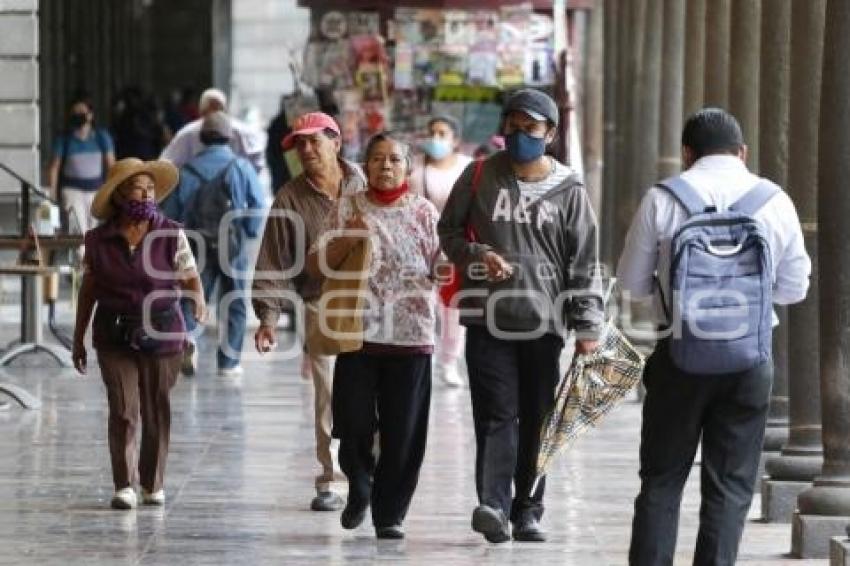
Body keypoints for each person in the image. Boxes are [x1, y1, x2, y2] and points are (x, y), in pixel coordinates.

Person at [617, 108, 811, 565]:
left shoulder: (662, 199)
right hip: (749, 361)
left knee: (662, 481)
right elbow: (795, 288)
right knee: (729, 486)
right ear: (742, 152)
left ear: (686, 153)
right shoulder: (773, 200)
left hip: (679, 356)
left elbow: (631, 284)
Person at [438, 88, 603, 544]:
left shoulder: (570, 190)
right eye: (512, 124)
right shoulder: (478, 175)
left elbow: (583, 261)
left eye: (530, 127)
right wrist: (476, 252)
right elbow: (449, 231)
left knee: (537, 418)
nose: (518, 134)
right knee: (495, 413)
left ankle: (528, 509)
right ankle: (492, 504)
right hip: (487, 318)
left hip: (544, 322)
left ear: (549, 134)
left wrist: (588, 325)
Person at [306, 132, 440, 540]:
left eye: (394, 160)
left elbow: (441, 266)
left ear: (408, 168)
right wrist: (349, 237)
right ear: (365, 167)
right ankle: (359, 484)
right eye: (377, 159)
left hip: (412, 334)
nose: (385, 166)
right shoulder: (346, 207)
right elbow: (315, 265)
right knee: (353, 421)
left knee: (404, 432)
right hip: (357, 333)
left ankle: (390, 514)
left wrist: (454, 270)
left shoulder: (424, 212)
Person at [71, 158, 205, 510]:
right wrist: (78, 337)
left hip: (162, 331)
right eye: (137, 189)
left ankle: (152, 483)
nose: (145, 196)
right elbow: (89, 290)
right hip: (114, 333)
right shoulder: (97, 241)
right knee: (124, 409)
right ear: (118, 195)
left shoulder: (171, 233)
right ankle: (124, 484)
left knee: (155, 410)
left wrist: (198, 303)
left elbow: (190, 276)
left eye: (150, 190)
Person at [252, 112, 366, 512]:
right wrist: (267, 317)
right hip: (321, 302)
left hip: (373, 304)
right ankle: (332, 479)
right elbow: (272, 260)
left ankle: (375, 472)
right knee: (329, 394)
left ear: (336, 141)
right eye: (298, 144)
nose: (305, 150)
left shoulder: (365, 184)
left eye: (313, 141)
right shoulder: (290, 198)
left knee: (380, 392)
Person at [162, 111, 265, 377]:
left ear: (203, 138)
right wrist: (248, 233)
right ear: (229, 138)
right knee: (235, 302)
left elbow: (171, 213)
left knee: (193, 297)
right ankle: (229, 363)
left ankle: (190, 339)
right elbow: (256, 206)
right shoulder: (241, 167)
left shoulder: (185, 171)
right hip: (232, 244)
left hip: (196, 244)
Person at [409, 115, 473, 387]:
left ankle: (448, 361)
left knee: (452, 307)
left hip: (455, 245)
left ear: (454, 140)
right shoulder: (416, 169)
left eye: (442, 133)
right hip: (421, 246)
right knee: (423, 303)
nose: (435, 138)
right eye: (431, 132)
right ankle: (423, 354)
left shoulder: (467, 168)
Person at [48, 92, 116, 234]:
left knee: (95, 232)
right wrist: (52, 195)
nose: (78, 115)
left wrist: (112, 192)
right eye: (74, 112)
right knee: (78, 232)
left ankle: (91, 256)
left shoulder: (101, 137)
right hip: (72, 191)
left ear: (90, 115)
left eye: (81, 111)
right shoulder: (64, 139)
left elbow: (111, 166)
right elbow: (54, 168)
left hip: (96, 192)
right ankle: (82, 256)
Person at [160, 88, 266, 174]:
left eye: (218, 112)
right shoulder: (189, 133)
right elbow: (168, 164)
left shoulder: (241, 131)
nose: (215, 120)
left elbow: (168, 164)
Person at [266, 95, 293, 194]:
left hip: (281, 177)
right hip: (285, 174)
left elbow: (270, 155)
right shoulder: (281, 124)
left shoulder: (276, 123)